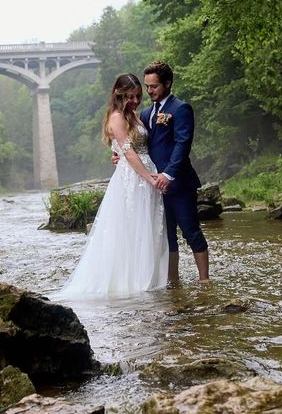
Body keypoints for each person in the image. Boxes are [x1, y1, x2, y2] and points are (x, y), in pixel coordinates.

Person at [57, 73, 169, 297]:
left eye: (138, 96)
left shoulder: (134, 116)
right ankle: (135, 283)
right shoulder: (117, 117)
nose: (136, 101)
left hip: (146, 175)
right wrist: (149, 177)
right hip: (134, 179)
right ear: (119, 94)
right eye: (131, 97)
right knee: (133, 227)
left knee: (149, 226)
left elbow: (127, 148)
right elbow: (127, 151)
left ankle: (153, 279)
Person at [139, 61, 209, 283]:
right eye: (147, 86)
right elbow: (139, 144)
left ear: (168, 83)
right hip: (154, 185)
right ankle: (173, 282)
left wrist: (168, 174)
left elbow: (182, 143)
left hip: (179, 183)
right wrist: (119, 156)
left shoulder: (180, 109)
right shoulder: (146, 113)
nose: (150, 91)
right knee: (167, 237)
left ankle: (204, 281)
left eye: (154, 86)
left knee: (191, 232)